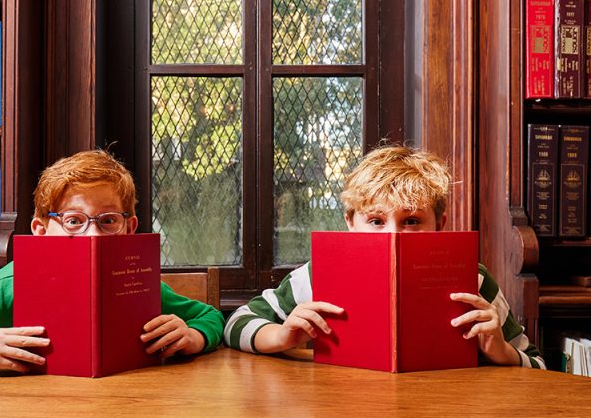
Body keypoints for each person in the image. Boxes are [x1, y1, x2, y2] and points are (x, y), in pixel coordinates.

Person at [0, 150, 225, 375]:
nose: (92, 237)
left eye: (108, 221)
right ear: (40, 229)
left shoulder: (135, 280)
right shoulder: (11, 284)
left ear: (130, 228)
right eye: (73, 221)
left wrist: (192, 336)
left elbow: (209, 317)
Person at [223, 145, 545, 368]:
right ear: (350, 222)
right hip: (349, 414)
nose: (392, 235)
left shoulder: (473, 280)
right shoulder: (318, 275)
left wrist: (501, 351)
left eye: (412, 221)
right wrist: (281, 335)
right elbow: (236, 324)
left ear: (440, 225)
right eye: (376, 221)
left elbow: (537, 364)